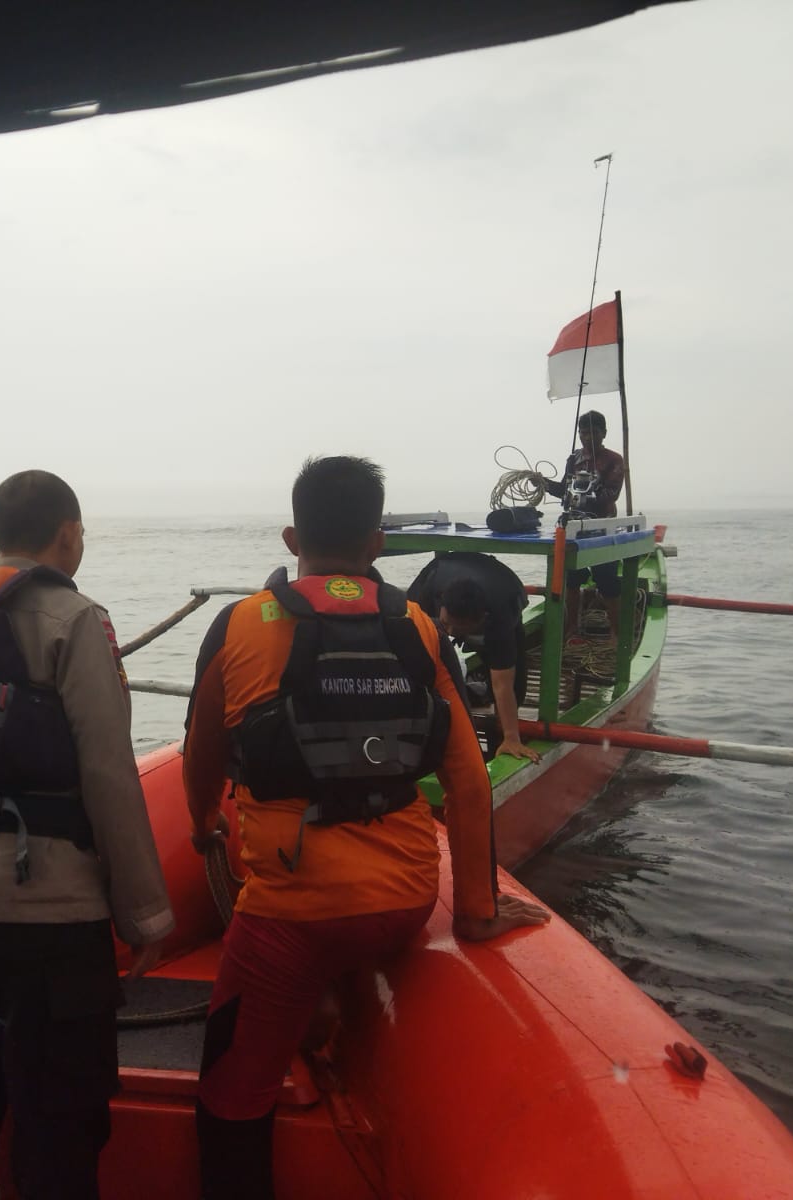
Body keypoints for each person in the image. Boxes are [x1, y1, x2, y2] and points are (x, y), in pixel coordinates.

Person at [181, 456, 549, 1200]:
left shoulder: (241, 622)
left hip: (291, 915)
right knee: (328, 942)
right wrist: (475, 913)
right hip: (402, 902)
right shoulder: (415, 624)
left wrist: (199, 826)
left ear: (292, 537)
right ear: (378, 542)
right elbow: (468, 778)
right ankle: (324, 1002)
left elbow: (201, 756)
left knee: (227, 1093)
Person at [0, 470, 175, 1200]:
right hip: (55, 922)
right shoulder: (75, 618)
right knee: (63, 1127)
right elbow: (110, 773)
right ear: (69, 534)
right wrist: (145, 915)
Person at [407, 552, 540, 763]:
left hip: (503, 584)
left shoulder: (500, 616)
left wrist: (512, 737)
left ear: (480, 620)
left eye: (457, 628)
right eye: (445, 623)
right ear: (441, 604)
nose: (449, 632)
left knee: (515, 686)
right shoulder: (429, 587)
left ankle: (501, 743)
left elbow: (502, 684)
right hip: (443, 570)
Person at [530, 409, 628, 633]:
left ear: (603, 433)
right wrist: (543, 483)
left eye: (593, 432)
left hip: (602, 528)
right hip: (574, 528)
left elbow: (611, 495)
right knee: (572, 581)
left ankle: (617, 633)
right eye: (583, 433)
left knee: (608, 583)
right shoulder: (574, 459)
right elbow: (564, 490)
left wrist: (584, 494)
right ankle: (572, 629)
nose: (588, 438)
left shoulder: (614, 460)